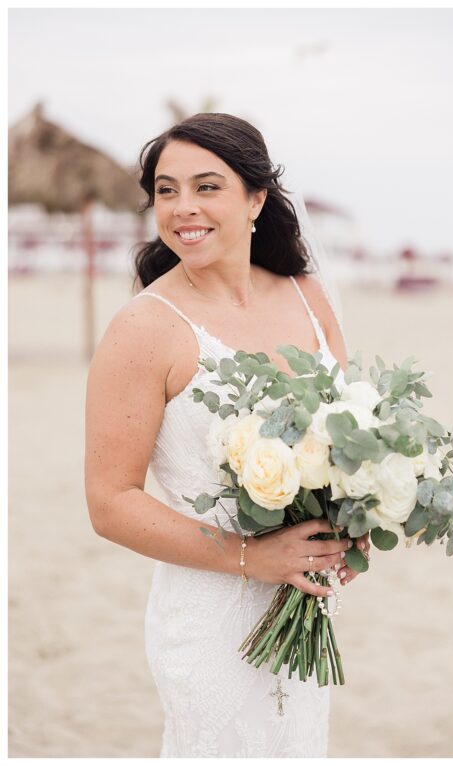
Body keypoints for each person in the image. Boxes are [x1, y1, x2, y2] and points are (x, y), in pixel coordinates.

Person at [84, 113, 368, 756]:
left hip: (304, 603)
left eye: (207, 187)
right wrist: (250, 557)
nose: (183, 207)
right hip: (209, 617)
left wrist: (351, 526)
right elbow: (109, 502)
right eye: (166, 190)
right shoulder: (143, 328)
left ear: (257, 198)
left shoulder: (308, 296)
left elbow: (348, 438)